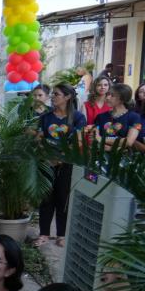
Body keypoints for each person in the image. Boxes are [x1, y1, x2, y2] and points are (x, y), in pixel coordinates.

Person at [36, 83, 87, 243]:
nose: (52, 97)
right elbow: (39, 139)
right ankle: (43, 234)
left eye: (56, 94)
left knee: (63, 199)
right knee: (46, 198)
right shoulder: (45, 117)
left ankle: (61, 235)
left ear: (67, 97)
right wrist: (48, 155)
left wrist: (61, 157)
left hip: (68, 163)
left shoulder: (78, 117)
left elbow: (78, 142)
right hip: (47, 162)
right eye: (52, 94)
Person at [94, 82, 142, 149]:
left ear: (123, 99)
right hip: (101, 156)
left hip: (125, 157)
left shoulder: (135, 117)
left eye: (112, 95)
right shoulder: (100, 116)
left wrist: (103, 140)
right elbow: (95, 138)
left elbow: (129, 142)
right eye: (108, 94)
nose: (107, 98)